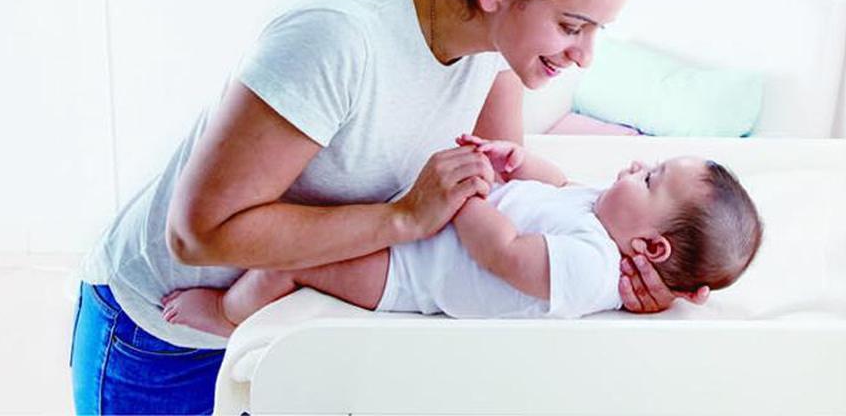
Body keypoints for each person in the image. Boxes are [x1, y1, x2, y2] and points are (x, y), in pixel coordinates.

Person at [70, 0, 696, 415]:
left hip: (287, 326)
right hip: (165, 334)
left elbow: (504, 201)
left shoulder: (494, 53)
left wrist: (615, 263)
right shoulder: (338, 40)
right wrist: (403, 218)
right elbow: (197, 234)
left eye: (597, 31)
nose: (585, 56)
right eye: (572, 26)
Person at [159, 141, 763, 333]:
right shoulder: (600, 211)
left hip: (407, 277)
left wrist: (464, 201)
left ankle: (227, 314)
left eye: (650, 178)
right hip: (416, 238)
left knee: (293, 261)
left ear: (651, 248)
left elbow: (506, 253)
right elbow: (556, 185)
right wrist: (517, 161)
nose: (635, 165)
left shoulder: (596, 270)